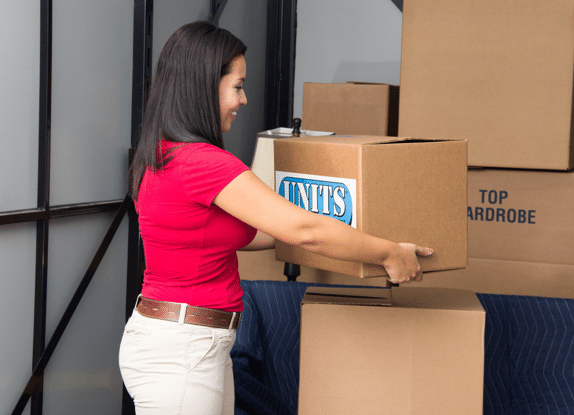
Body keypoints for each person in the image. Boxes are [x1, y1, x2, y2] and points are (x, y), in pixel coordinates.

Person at [119, 21, 433, 415]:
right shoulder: (203, 164)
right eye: (237, 86)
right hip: (183, 351)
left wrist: (351, 230)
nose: (244, 99)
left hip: (184, 342)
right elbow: (302, 230)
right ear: (203, 86)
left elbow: (254, 234)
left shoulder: (163, 156)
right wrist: (387, 253)